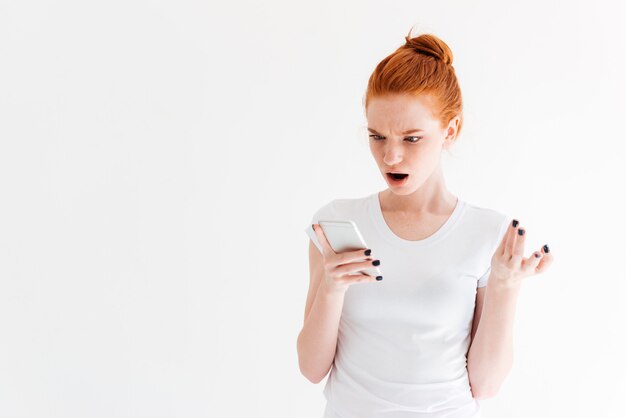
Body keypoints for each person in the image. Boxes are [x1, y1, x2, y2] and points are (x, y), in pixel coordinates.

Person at [296, 28, 554, 418]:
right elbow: (311, 368)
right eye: (376, 136)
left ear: (450, 130)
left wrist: (505, 285)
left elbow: (485, 384)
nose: (390, 157)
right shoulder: (336, 222)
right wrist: (331, 289)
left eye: (411, 139)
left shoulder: (488, 233)